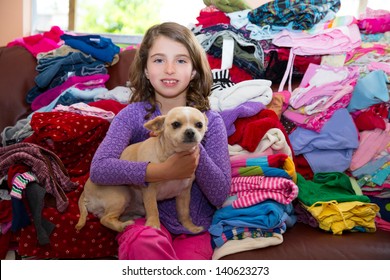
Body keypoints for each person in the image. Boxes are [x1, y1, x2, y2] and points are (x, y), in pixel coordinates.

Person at [89, 22, 231, 260]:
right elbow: (100, 169)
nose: (169, 69)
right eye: (158, 60)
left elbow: (219, 194)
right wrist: (159, 171)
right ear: (145, 69)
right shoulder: (132, 116)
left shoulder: (210, 121)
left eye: (181, 60)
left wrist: (192, 144)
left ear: (194, 71)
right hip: (143, 219)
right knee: (143, 246)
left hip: (193, 226)